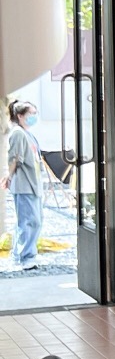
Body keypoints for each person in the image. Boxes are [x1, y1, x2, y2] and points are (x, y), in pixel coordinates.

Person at [4, 99, 46, 271]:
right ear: (20, 116)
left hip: (33, 184)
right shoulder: (18, 133)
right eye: (31, 114)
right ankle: (26, 256)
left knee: (33, 220)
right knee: (29, 221)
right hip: (24, 184)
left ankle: (21, 254)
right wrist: (9, 176)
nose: (34, 116)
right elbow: (14, 157)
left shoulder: (27, 134)